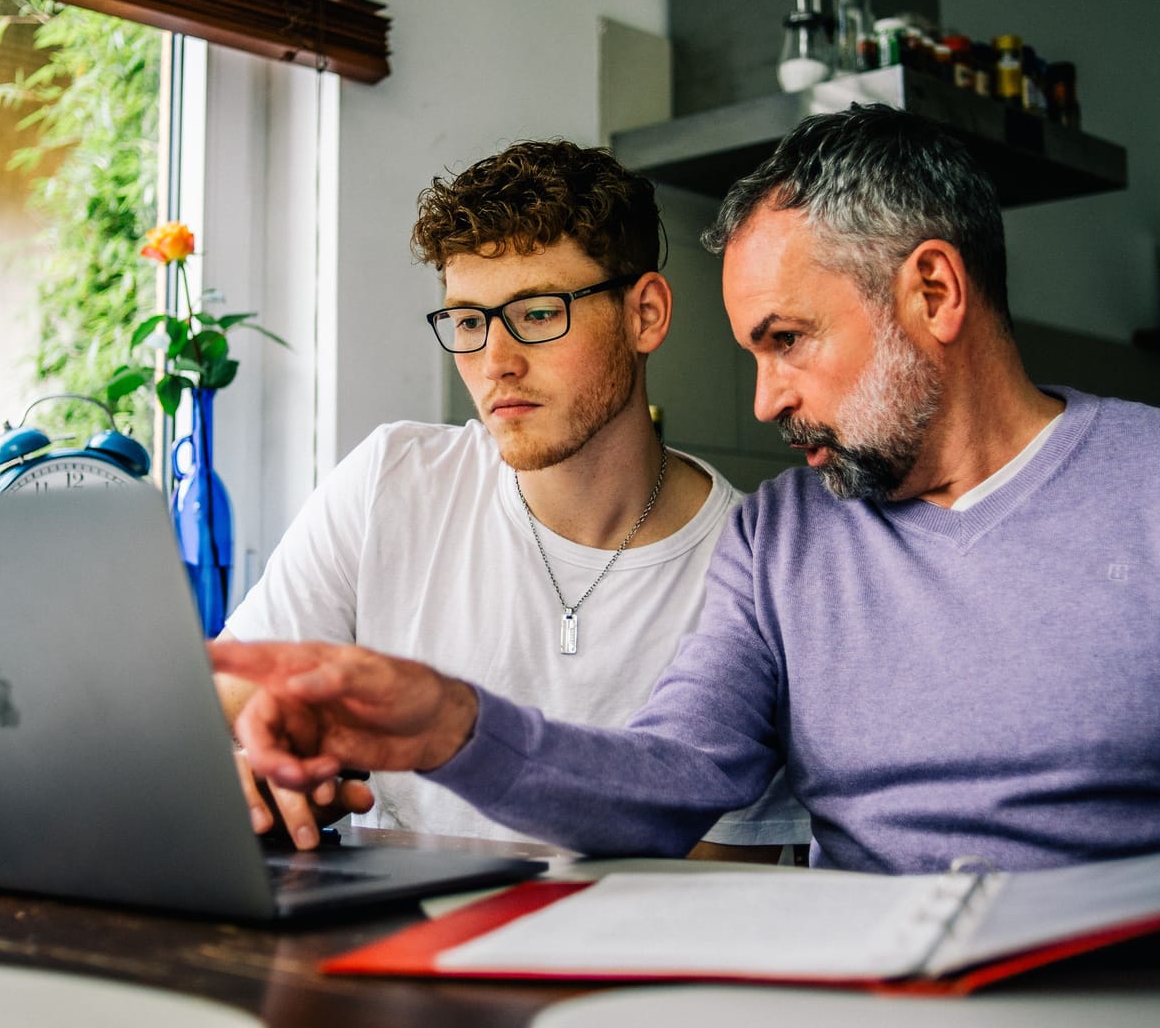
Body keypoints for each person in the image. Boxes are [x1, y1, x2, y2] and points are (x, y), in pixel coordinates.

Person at [214, 105, 1160, 924]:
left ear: (936, 290)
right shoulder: (783, 536)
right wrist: (452, 723)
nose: (763, 394)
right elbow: (668, 779)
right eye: (753, 346)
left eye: (789, 340)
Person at [215, 139, 805, 855]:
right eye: (468, 321)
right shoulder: (389, 480)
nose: (495, 363)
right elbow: (224, 715)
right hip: (385, 950)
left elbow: (714, 890)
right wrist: (245, 772)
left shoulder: (752, 566)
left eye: (537, 312)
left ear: (644, 314)